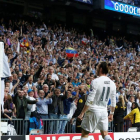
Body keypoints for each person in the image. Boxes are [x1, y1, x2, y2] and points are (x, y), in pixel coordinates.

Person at [78, 62, 116, 140]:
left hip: (93, 110)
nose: (96, 69)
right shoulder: (112, 83)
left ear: (101, 69)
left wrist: (82, 113)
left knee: (85, 133)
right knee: (105, 134)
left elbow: (90, 99)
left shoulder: (95, 81)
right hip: (104, 111)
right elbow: (113, 101)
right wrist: (111, 113)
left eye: (97, 67)